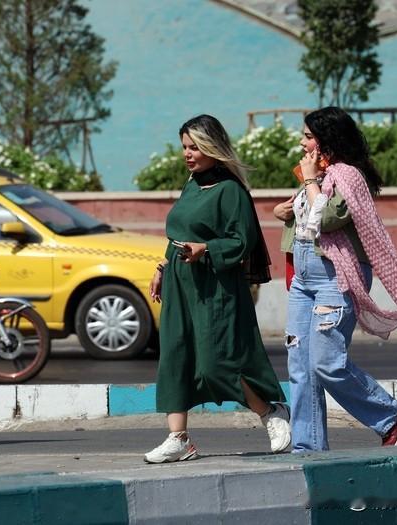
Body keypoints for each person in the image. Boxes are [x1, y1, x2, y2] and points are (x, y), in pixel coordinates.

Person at [274, 106, 397, 452]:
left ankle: (387, 414)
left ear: (327, 140)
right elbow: (306, 223)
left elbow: (327, 218)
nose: (301, 142)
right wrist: (282, 211)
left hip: (334, 278)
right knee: (300, 365)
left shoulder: (347, 176)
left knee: (326, 363)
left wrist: (310, 181)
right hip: (303, 280)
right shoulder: (316, 175)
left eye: (308, 136)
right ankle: (307, 448)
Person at [144, 115, 291, 464]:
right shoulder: (192, 185)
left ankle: (270, 412)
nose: (188, 154)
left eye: (195, 146)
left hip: (216, 287)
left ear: (213, 147)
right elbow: (177, 232)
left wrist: (206, 249)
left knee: (216, 362)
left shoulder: (231, 191)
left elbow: (242, 241)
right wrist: (163, 267)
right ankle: (178, 438)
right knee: (176, 356)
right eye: (184, 147)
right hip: (181, 283)